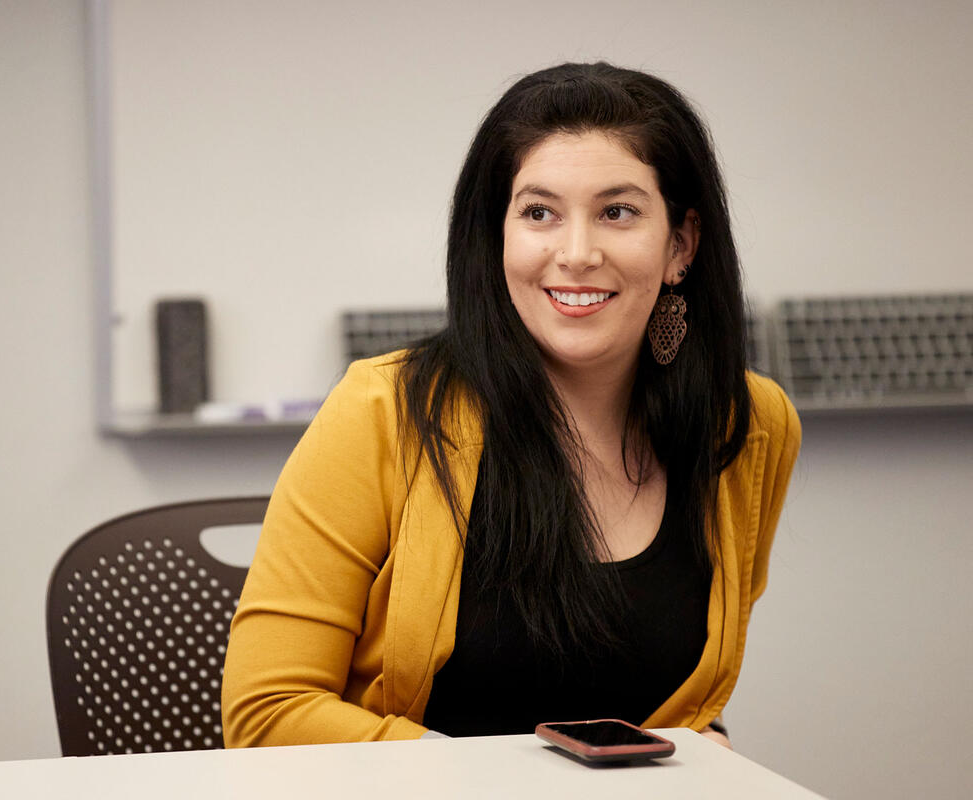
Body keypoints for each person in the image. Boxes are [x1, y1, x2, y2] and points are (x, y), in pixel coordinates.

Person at [220, 61, 800, 748]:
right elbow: (267, 714)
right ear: (497, 236)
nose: (577, 253)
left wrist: (706, 754)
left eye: (617, 212)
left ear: (680, 244)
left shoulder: (749, 425)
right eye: (539, 213)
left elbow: (684, 705)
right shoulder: (381, 413)